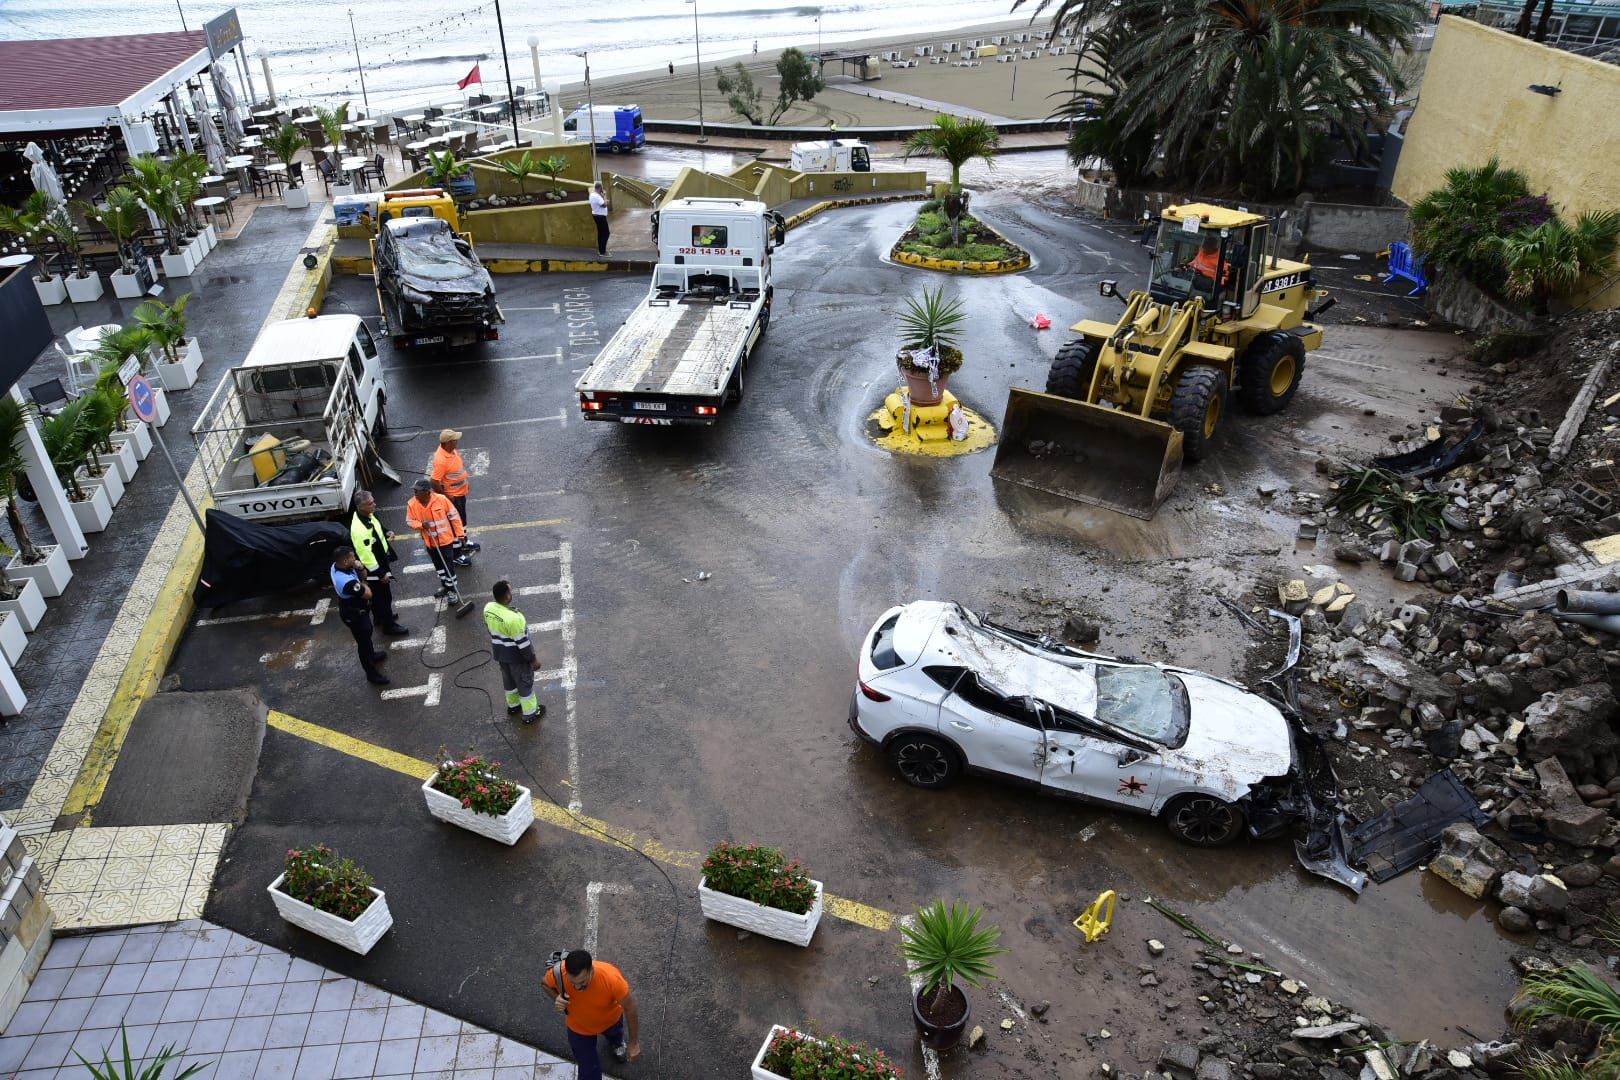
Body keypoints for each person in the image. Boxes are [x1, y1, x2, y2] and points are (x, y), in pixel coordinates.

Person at [543, 950, 641, 1078]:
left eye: (582, 982)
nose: (578, 988)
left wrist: (633, 1044)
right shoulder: (559, 973)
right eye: (573, 983)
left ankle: (618, 1043)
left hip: (611, 1021)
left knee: (615, 1035)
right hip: (579, 1029)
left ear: (591, 970)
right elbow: (544, 984)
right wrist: (556, 997)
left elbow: (630, 1009)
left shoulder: (611, 979)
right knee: (588, 1071)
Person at [349, 490, 410, 637]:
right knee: (384, 597)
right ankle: (389, 626)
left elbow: (378, 527)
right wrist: (380, 574)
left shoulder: (368, 515)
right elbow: (366, 556)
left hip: (379, 562)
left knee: (377, 597)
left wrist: (387, 531)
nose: (374, 505)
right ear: (360, 506)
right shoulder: (359, 529)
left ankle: (379, 617)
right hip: (373, 568)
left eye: (373, 501)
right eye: (370, 503)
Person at [484, 580, 546, 722]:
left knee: (509, 681)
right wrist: (533, 660)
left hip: (500, 654)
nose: (511, 594)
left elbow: (488, 627)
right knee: (524, 683)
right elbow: (523, 644)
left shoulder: (488, 608)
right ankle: (530, 713)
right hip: (516, 658)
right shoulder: (514, 618)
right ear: (507, 597)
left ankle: (513, 706)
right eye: (510, 592)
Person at [331, 547, 389, 686]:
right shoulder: (346, 582)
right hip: (354, 614)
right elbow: (368, 593)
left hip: (359, 610)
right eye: (352, 557)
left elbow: (363, 576)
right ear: (345, 561)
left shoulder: (336, 566)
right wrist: (364, 584)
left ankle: (372, 655)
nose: (355, 558)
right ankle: (371, 673)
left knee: (367, 636)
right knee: (363, 643)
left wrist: (361, 567)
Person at [406, 478, 470, 597]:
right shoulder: (412, 504)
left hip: (445, 541)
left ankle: (452, 591)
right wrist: (421, 525)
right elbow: (409, 521)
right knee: (439, 566)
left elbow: (454, 517)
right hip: (430, 543)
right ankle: (445, 585)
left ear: (427, 492)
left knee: (448, 566)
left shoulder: (441, 499)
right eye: (414, 491)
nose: (415, 494)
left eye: (417, 491)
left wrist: (460, 534)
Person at [430, 429, 478, 541]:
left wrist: (465, 483)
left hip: (460, 493)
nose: (457, 442)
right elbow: (434, 482)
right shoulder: (441, 460)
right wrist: (446, 497)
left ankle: (464, 540)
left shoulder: (452, 451)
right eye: (454, 440)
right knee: (457, 520)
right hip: (453, 497)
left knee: (462, 518)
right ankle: (460, 544)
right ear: (448, 443)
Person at [590, 181, 610, 256]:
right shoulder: (597, 196)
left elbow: (600, 204)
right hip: (600, 216)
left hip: (596, 215)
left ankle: (601, 250)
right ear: (600, 188)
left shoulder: (593, 194)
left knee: (601, 233)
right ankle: (602, 252)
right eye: (602, 187)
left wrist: (603, 198)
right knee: (606, 233)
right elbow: (604, 205)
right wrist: (604, 195)